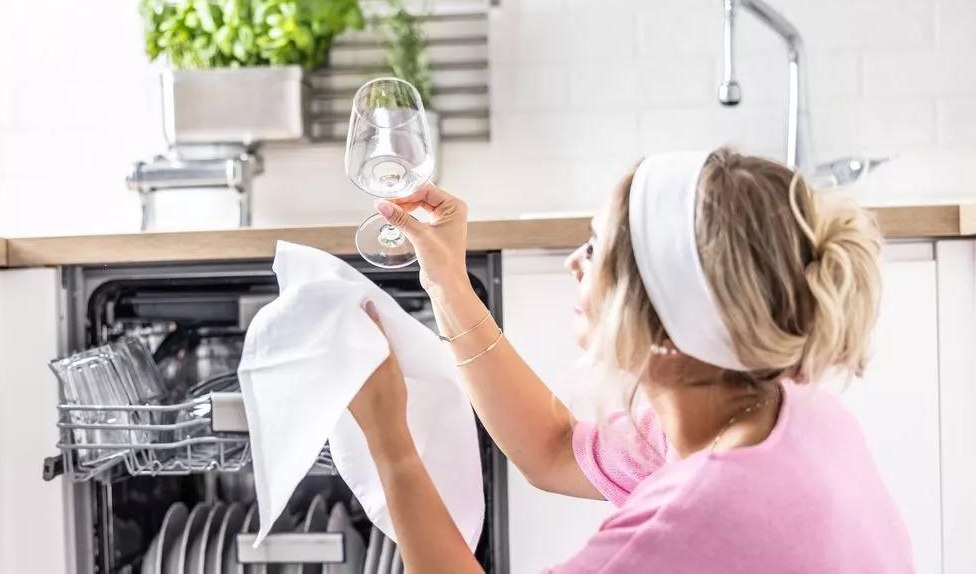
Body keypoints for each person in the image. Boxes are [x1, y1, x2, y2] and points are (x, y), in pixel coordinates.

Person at [346, 148, 915, 573]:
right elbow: (550, 449)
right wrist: (446, 280)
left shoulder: (692, 517)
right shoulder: (784, 411)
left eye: (595, 249)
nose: (574, 262)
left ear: (665, 322)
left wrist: (390, 445)